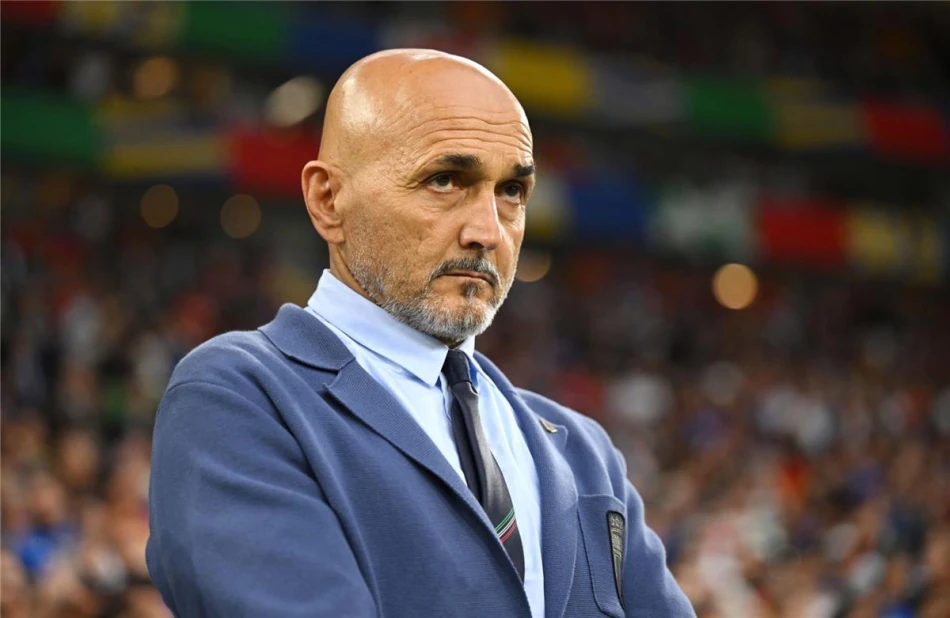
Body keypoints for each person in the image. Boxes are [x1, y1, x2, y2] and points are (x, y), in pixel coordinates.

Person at [145, 49, 695, 618]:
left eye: (511, 191)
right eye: (445, 180)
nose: (488, 231)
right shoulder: (238, 397)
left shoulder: (583, 451)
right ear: (328, 200)